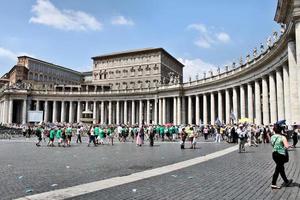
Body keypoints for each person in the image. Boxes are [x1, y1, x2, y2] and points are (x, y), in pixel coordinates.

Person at [271, 120, 293, 189]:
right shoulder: (282, 137)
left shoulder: (272, 137)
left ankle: (286, 181)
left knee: (281, 168)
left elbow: (273, 144)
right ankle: (273, 183)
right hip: (281, 154)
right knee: (278, 169)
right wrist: (290, 145)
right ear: (281, 130)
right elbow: (286, 146)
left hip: (274, 154)